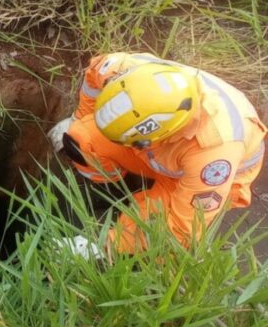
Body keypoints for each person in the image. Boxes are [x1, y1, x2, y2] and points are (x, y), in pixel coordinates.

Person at [49, 52, 266, 256]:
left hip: (190, 178)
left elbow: (182, 232)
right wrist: (81, 117)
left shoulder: (214, 155)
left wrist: (107, 244)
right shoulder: (122, 70)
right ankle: (116, 191)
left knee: (155, 234)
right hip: (162, 154)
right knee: (81, 138)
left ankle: (127, 248)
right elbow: (94, 74)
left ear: (156, 136)